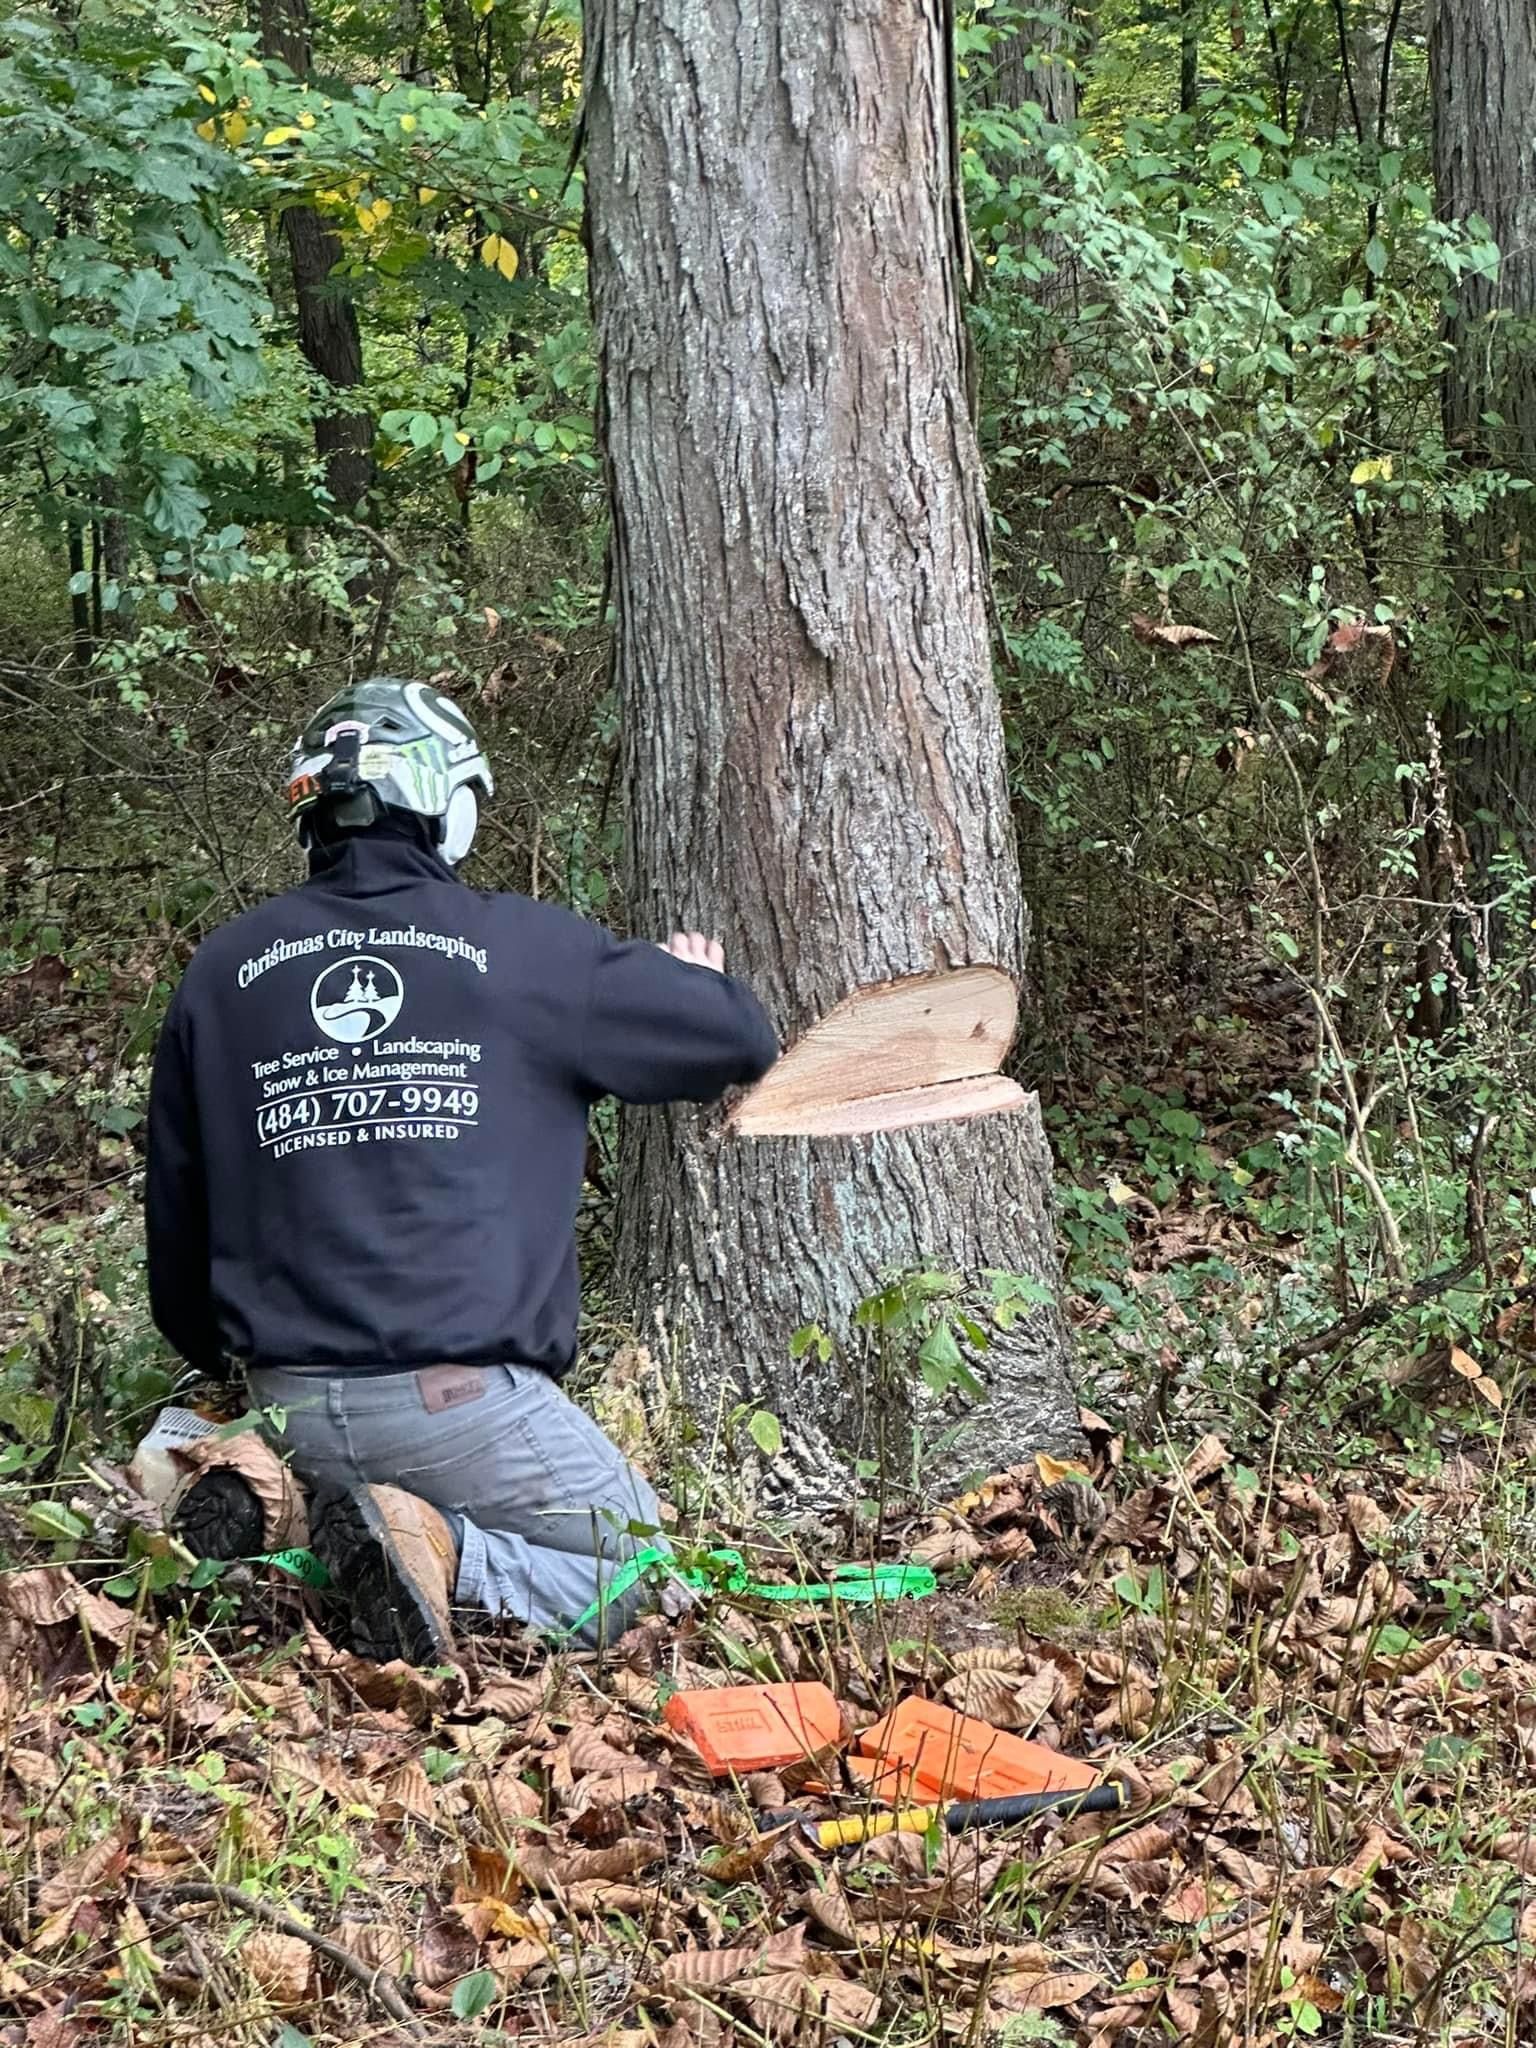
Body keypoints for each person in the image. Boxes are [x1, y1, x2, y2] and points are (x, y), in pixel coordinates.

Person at [144, 678, 778, 1662]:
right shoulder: (526, 949)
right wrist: (688, 980)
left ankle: (274, 1501)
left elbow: (178, 1260)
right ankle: (448, 1552)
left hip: (285, 1395)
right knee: (655, 1584)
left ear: (311, 810)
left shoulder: (220, 971)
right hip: (463, 1403)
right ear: (450, 803)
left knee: (323, 1466)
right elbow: (737, 1033)